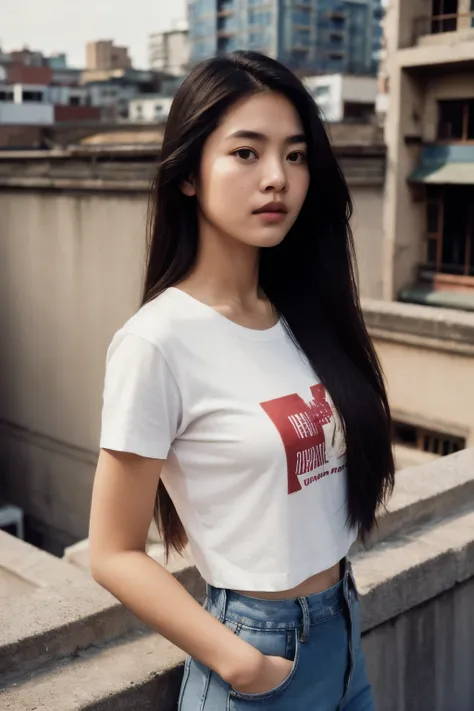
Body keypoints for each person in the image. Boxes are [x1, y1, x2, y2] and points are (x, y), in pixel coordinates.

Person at [89, 51, 394, 710]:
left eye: (294, 155)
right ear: (190, 175)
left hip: (343, 635)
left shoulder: (302, 317)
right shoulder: (157, 342)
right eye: (246, 154)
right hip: (260, 659)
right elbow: (112, 550)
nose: (276, 179)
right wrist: (243, 661)